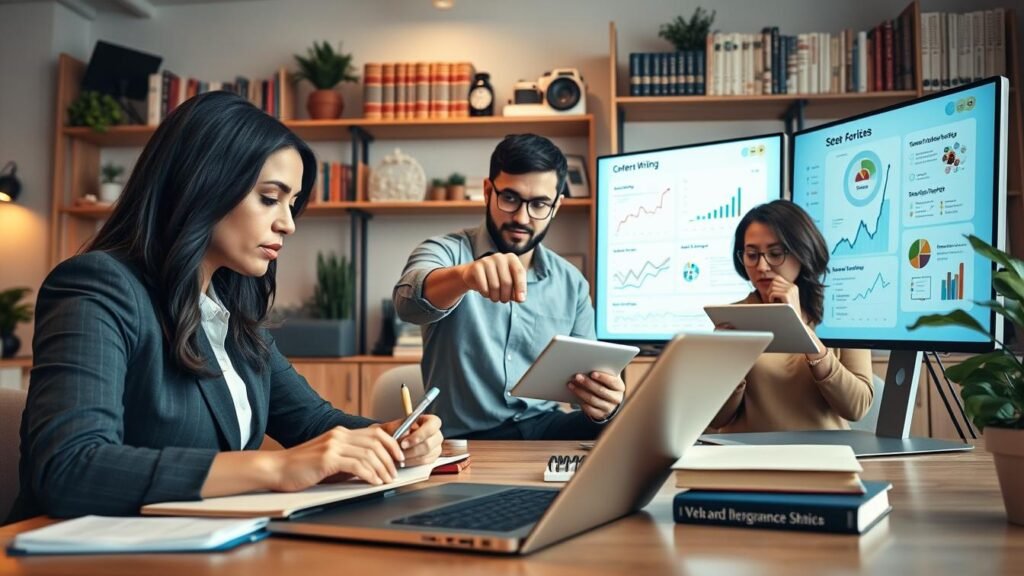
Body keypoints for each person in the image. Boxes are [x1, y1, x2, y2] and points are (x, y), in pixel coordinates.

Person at [8, 92, 442, 523]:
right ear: (203, 184)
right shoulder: (96, 286)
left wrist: (391, 436)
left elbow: (316, 423)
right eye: (270, 198)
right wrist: (277, 467)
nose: (287, 224)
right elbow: (69, 467)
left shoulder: (231, 315)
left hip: (201, 551)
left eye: (292, 205)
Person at [393, 134, 625, 440]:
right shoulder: (445, 251)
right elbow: (408, 303)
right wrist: (465, 277)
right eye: (510, 198)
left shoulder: (572, 283)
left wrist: (605, 403)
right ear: (488, 191)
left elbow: (590, 380)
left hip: (543, 426)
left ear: (556, 206)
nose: (521, 217)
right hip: (464, 437)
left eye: (540, 203)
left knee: (628, 423)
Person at [709, 200, 874, 432]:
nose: (762, 266)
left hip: (825, 456)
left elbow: (856, 408)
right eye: (752, 254)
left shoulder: (844, 313)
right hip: (749, 456)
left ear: (802, 252)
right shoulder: (732, 319)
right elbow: (717, 420)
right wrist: (733, 364)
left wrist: (802, 331)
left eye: (775, 253)